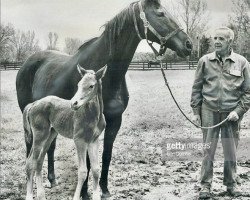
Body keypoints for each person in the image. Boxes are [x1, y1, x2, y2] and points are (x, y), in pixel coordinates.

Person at [190, 27, 250, 199]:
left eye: (221, 39)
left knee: (230, 151)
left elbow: (248, 92)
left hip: (231, 115)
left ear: (230, 41)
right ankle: (205, 186)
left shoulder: (242, 62)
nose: (216, 41)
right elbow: (197, 88)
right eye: (215, 38)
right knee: (208, 150)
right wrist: (196, 111)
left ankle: (231, 184)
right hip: (208, 111)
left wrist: (238, 111)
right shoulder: (205, 61)